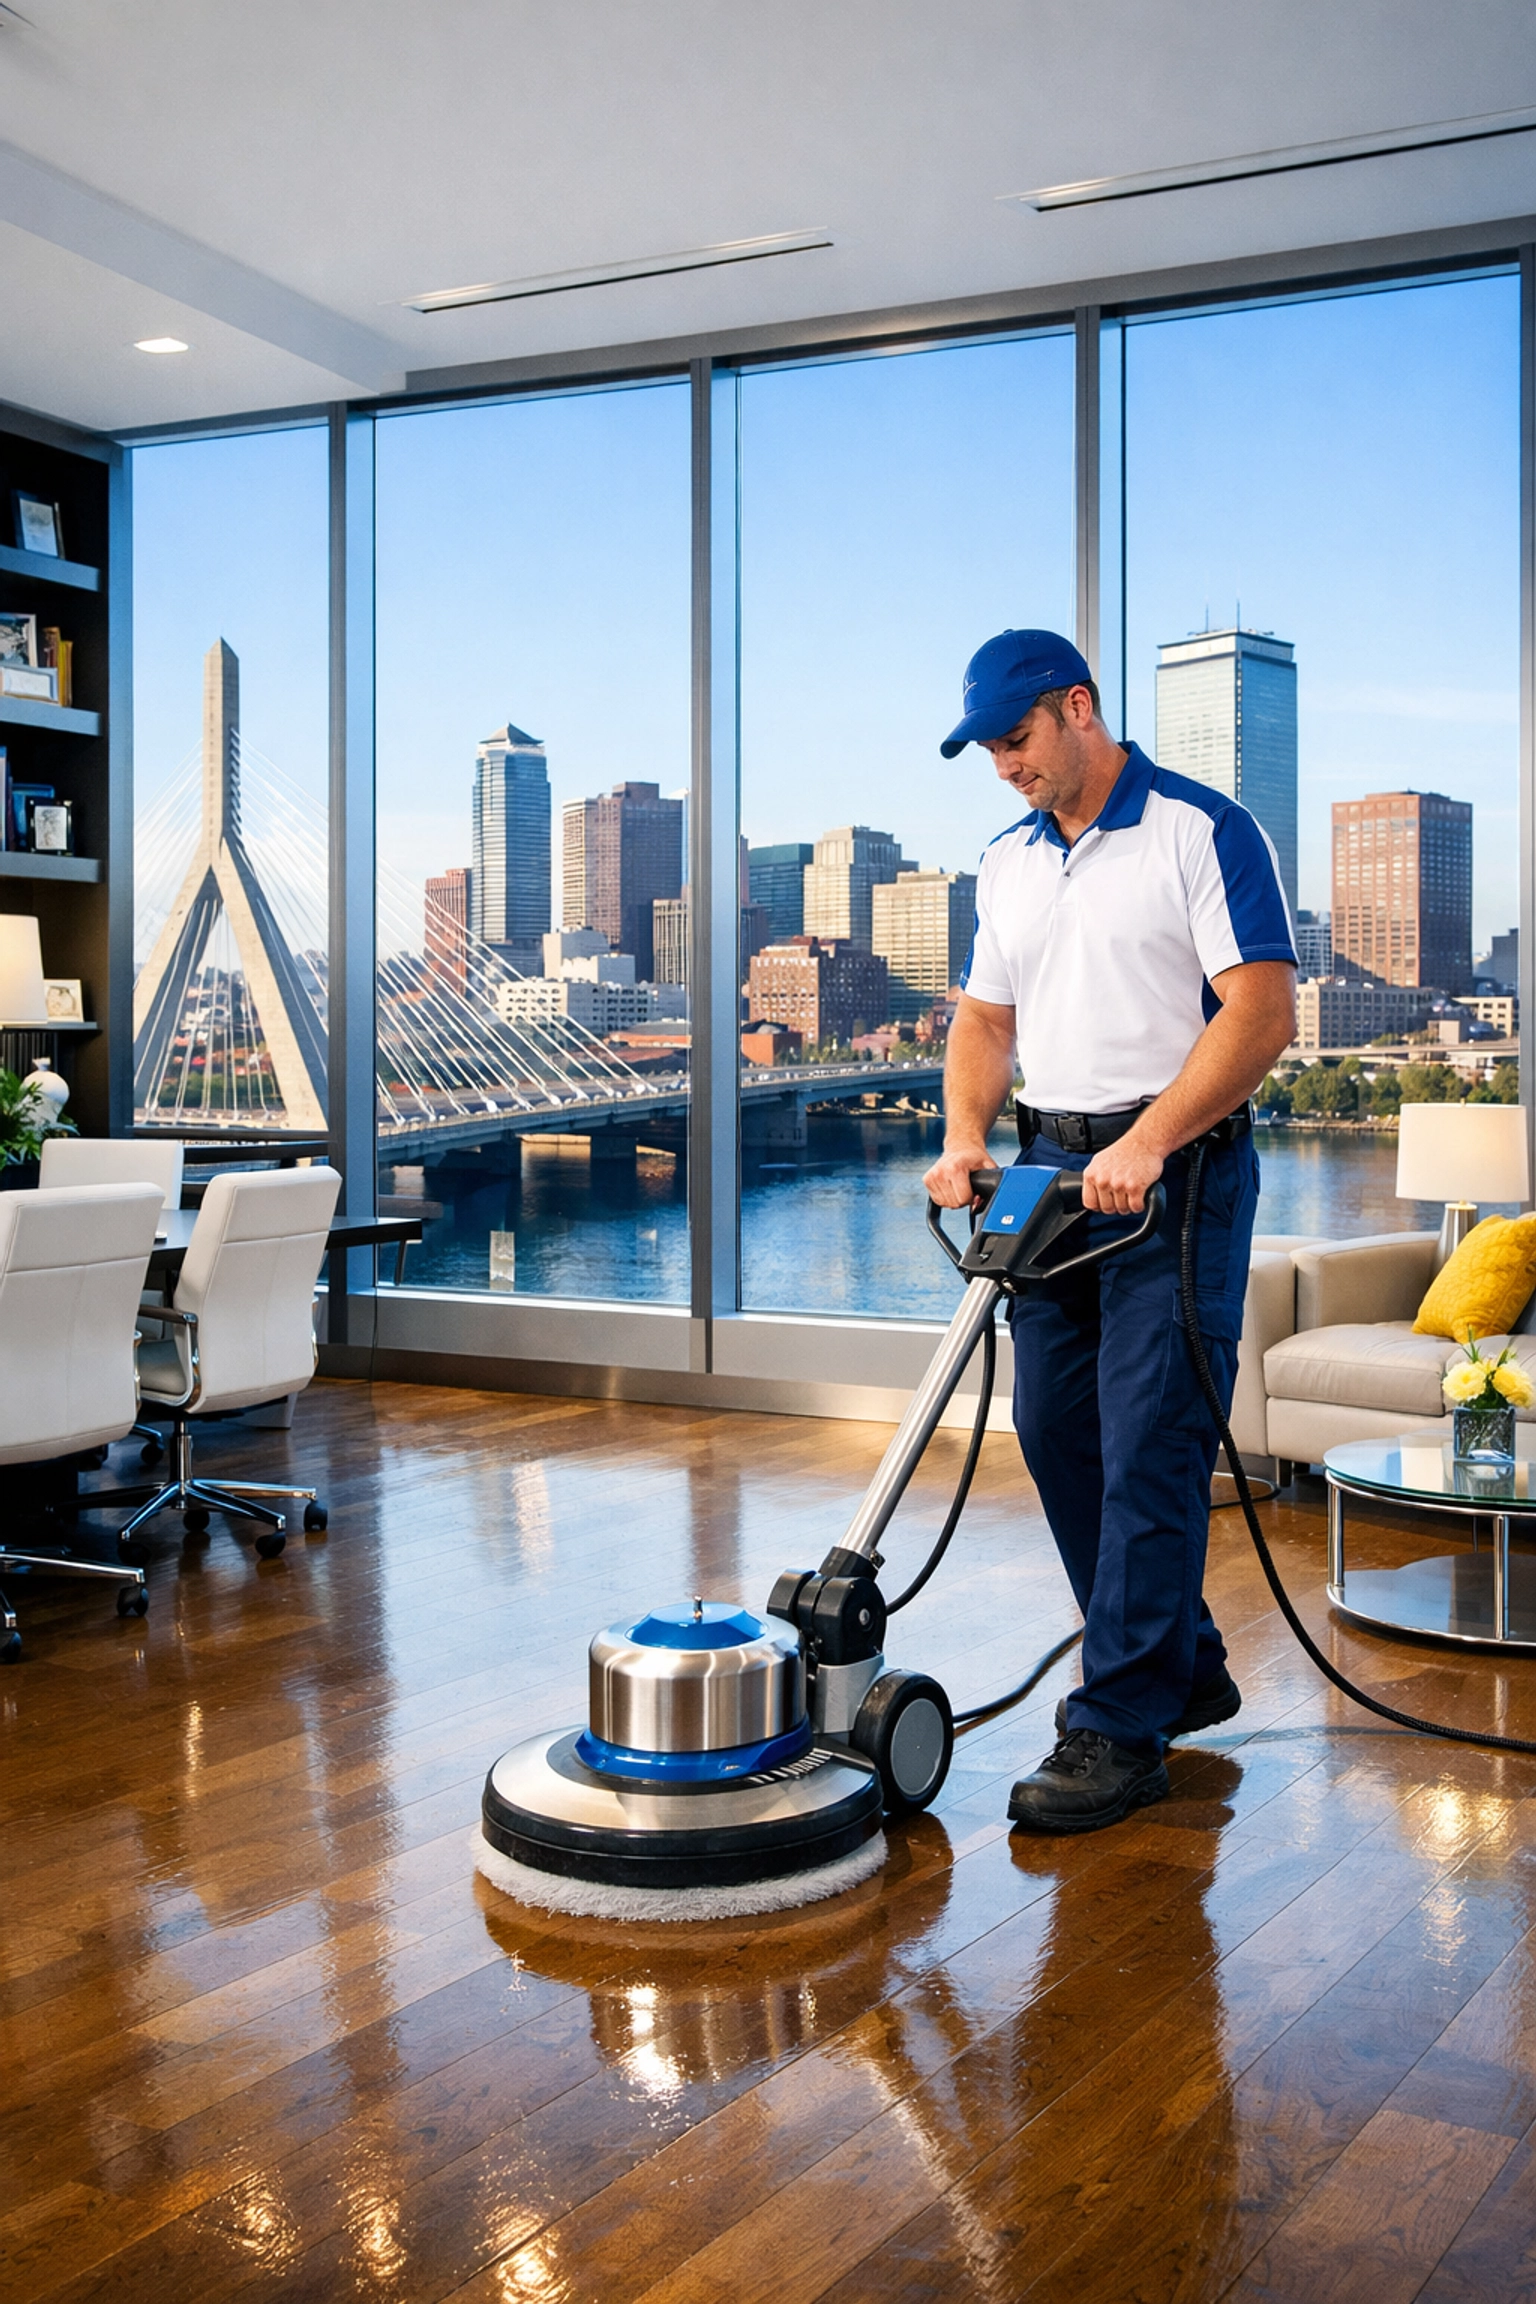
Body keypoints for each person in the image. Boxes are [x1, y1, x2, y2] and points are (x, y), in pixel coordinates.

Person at [924, 629, 1297, 1833]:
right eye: (989, 751)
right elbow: (986, 1020)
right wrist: (965, 1135)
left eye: (1017, 739)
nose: (1005, 767)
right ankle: (1183, 1666)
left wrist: (1150, 1139)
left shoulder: (1201, 829)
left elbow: (1260, 1014)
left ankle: (1120, 1726)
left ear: (1078, 707)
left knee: (1152, 1440)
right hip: (1046, 1172)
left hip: (1175, 1172)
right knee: (1055, 1428)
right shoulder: (1008, 861)